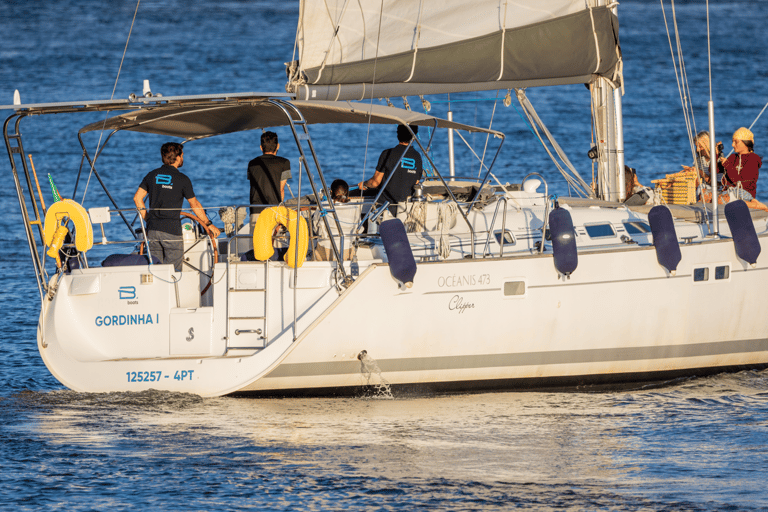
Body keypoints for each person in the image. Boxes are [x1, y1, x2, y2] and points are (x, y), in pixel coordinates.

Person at [133, 142, 220, 272]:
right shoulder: (182, 179)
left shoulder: (152, 175)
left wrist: (148, 219)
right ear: (178, 157)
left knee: (157, 271)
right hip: (171, 233)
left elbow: (137, 198)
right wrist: (208, 224)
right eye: (182, 155)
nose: (183, 158)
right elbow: (194, 204)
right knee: (173, 273)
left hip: (153, 231)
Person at [358, 124, 423, 215]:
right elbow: (416, 182)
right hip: (405, 210)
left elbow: (375, 182)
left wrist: (364, 184)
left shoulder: (387, 154)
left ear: (397, 134)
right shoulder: (417, 157)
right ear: (414, 135)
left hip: (384, 210)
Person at [247, 131, 292, 227]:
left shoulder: (251, 164)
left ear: (261, 147)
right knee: (275, 241)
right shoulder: (285, 163)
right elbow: (281, 190)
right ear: (278, 146)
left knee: (257, 241)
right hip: (274, 210)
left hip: (255, 210)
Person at [718, 127, 762, 200]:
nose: (732, 145)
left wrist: (728, 165)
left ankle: (753, 204)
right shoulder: (732, 157)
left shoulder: (753, 159)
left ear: (746, 142)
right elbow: (714, 170)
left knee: (722, 199)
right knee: (706, 194)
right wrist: (717, 154)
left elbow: (740, 182)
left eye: (736, 142)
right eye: (732, 141)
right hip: (729, 192)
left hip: (745, 193)